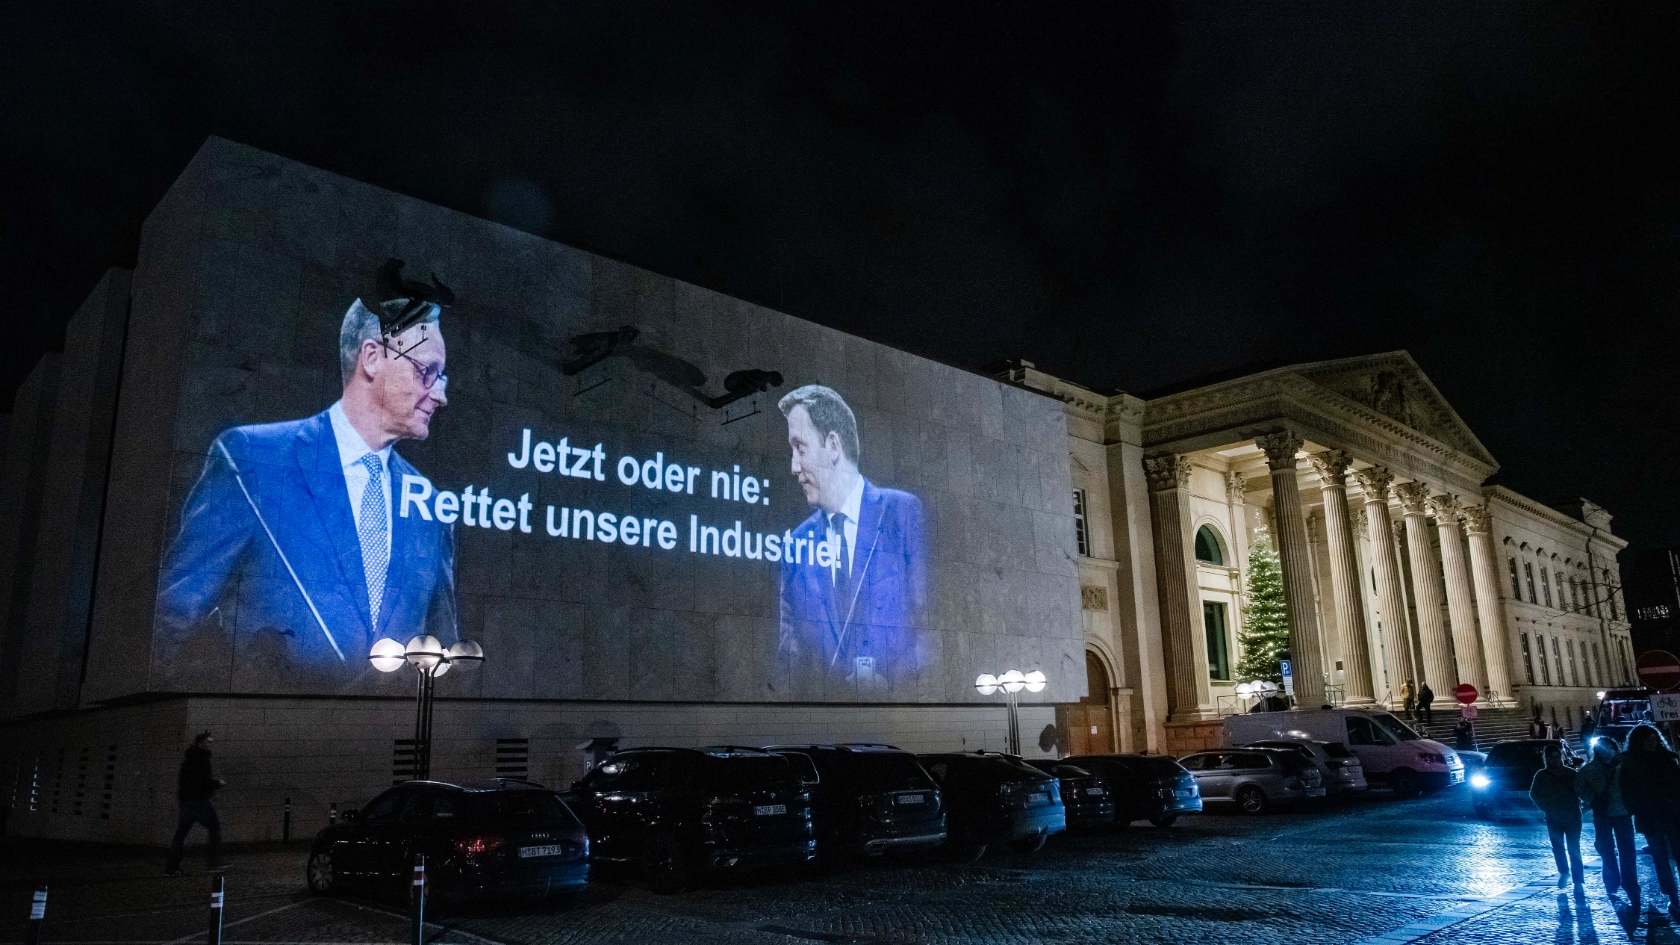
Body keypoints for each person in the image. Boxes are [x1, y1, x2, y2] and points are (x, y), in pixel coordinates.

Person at [156, 262, 459, 681]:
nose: (440, 396)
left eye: (442, 377)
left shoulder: (428, 501)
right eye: (428, 372)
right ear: (372, 358)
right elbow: (174, 617)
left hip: (395, 737)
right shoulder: (252, 459)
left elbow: (446, 648)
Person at [777, 384, 926, 692]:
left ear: (833, 446)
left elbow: (930, 628)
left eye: (800, 449)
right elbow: (790, 657)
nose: (794, 467)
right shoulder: (796, 543)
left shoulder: (902, 513)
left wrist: (893, 690)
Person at [1621, 724, 1680, 916]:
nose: (1652, 742)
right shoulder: (1630, 763)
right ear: (1639, 742)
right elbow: (1627, 792)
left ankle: (1674, 897)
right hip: (1650, 817)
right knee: (1661, 858)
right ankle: (1673, 896)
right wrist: (1637, 810)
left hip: (1672, 814)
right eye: (1647, 739)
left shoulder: (1668, 760)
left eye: (1654, 738)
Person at [1577, 738, 1639, 911]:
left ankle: (1630, 884)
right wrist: (1594, 799)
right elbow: (1579, 787)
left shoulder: (1624, 765)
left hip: (1623, 812)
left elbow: (1635, 784)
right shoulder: (1590, 769)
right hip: (1602, 813)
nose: (1607, 751)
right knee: (1607, 850)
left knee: (1627, 850)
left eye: (1610, 748)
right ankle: (1612, 884)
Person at [165, 731, 226, 875]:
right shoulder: (201, 759)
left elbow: (188, 781)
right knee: (214, 827)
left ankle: (171, 868)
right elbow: (202, 782)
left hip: (187, 801)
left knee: (181, 834)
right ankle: (213, 861)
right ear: (200, 743)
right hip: (198, 800)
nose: (210, 745)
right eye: (208, 742)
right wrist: (217, 783)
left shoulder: (189, 759)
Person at [1530, 743, 1585, 888]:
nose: (1554, 760)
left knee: (1574, 846)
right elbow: (1534, 794)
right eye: (1551, 757)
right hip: (1553, 817)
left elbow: (1581, 790)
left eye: (1556, 756)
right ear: (1546, 758)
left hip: (1572, 815)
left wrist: (1582, 805)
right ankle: (1564, 871)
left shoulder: (1571, 773)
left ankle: (1578, 878)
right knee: (1558, 846)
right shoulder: (1541, 775)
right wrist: (1545, 807)